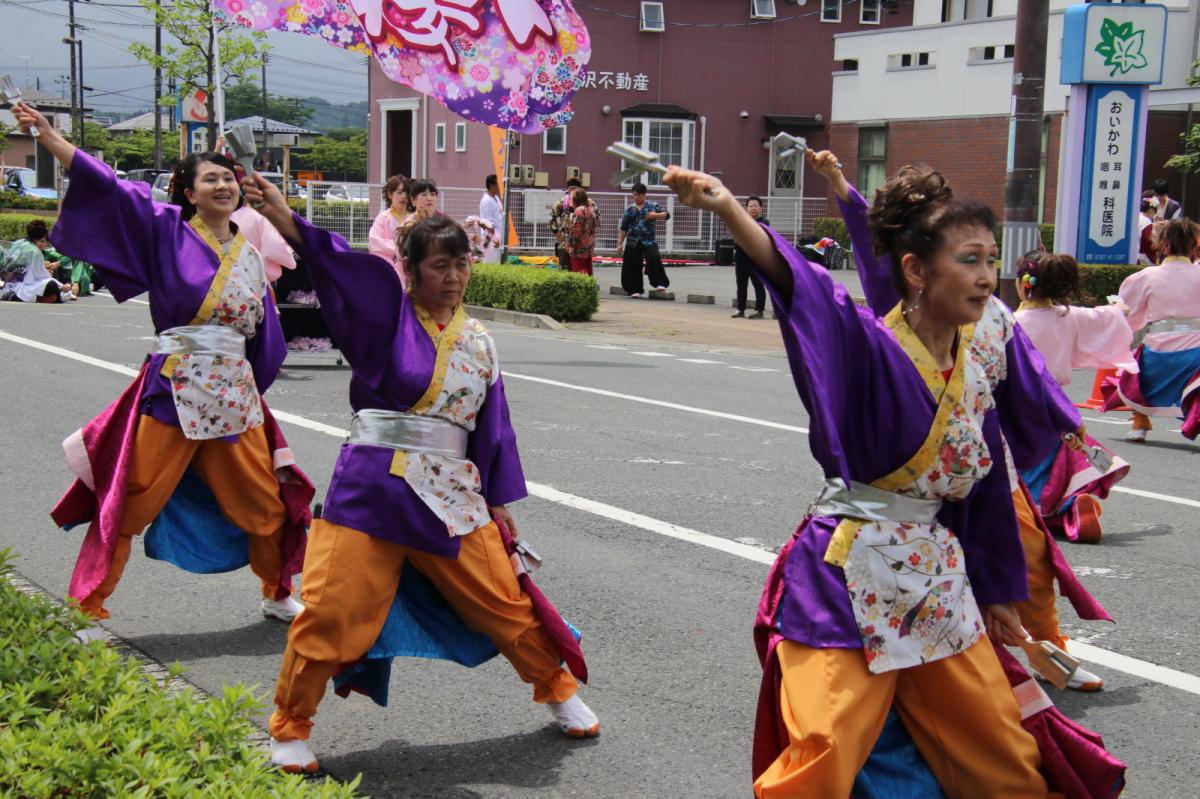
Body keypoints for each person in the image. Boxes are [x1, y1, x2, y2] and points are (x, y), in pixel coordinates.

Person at [665, 161, 1072, 797]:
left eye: (992, 259)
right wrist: (730, 211)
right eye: (969, 259)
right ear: (915, 270)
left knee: (1006, 755)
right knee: (823, 749)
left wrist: (996, 592)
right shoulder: (870, 343)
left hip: (936, 582)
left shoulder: (973, 373)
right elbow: (805, 286)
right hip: (849, 574)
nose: (988, 276)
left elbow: (986, 491)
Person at [240, 175, 599, 774]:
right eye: (438, 265)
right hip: (372, 486)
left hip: (452, 491)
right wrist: (285, 218)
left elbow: (494, 426)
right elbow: (337, 266)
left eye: (460, 265)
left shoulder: (480, 341)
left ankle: (558, 692)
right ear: (410, 270)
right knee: (332, 608)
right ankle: (291, 724)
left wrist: (499, 499)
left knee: (504, 602)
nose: (453, 277)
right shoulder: (383, 313)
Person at [816, 150, 1112, 694]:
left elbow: (1024, 369)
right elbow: (864, 233)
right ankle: (962, 677)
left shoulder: (987, 302)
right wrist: (838, 182)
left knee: (1030, 558)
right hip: (918, 468)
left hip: (979, 460)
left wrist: (1067, 420)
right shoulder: (906, 290)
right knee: (939, 586)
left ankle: (1046, 653)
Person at [14, 101, 313, 629]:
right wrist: (49, 137)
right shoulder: (165, 229)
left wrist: (256, 383)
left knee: (263, 501)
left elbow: (265, 331)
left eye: (228, 178)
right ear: (189, 191)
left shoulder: (247, 250)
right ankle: (87, 605)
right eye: (211, 179)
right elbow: (106, 185)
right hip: (175, 387)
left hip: (234, 394)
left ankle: (276, 591)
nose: (223, 186)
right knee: (132, 496)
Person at [1014, 251, 1135, 543]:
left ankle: (1040, 511)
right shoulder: (1071, 318)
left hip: (1017, 406)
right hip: (1059, 405)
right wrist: (1117, 307)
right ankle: (1074, 505)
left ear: (1024, 283)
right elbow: (1118, 315)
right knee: (1061, 461)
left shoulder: (1010, 321)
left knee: (1021, 467)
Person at [1104, 217, 1200, 443]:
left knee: (1135, 374)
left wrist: (1115, 307)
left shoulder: (1145, 277)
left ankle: (1140, 421)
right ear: (1193, 244)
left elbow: (1127, 312)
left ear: (1163, 244)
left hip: (1158, 350)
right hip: (1196, 350)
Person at [1, 219, 76, 302]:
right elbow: (38, 277)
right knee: (53, 285)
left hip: (7, 286)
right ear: (41, 236)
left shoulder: (17, 243)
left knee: (57, 288)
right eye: (43, 240)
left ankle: (46, 297)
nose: (45, 244)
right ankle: (42, 298)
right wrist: (61, 286)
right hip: (20, 288)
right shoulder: (34, 251)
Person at [618, 183, 671, 297]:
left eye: (637, 195)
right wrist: (620, 243)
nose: (635, 197)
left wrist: (655, 215)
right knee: (633, 264)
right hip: (633, 241)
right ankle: (634, 289)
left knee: (654, 257)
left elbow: (667, 215)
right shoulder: (630, 210)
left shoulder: (652, 206)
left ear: (643, 195)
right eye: (634, 195)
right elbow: (623, 228)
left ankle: (659, 283)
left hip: (649, 240)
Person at [368, 174, 411, 284]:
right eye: (399, 192)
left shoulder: (413, 218)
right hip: (390, 269)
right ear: (390, 194)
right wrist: (400, 248)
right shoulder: (383, 218)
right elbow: (375, 244)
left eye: (406, 192)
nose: (404, 196)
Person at [732, 196, 768, 318]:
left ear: (761, 209)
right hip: (741, 256)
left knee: (758, 284)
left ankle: (759, 310)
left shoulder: (764, 222)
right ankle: (740, 309)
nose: (753, 208)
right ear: (746, 208)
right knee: (741, 284)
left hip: (756, 258)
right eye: (750, 206)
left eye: (755, 206)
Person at [395, 177, 441, 260]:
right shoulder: (408, 224)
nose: (429, 198)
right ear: (413, 200)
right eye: (424, 194)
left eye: (432, 194)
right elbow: (402, 254)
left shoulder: (441, 221)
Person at [549, 177, 583, 269]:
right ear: (567, 189)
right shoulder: (560, 203)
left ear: (579, 190)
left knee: (581, 270)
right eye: (570, 188)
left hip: (582, 243)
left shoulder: (586, 203)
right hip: (565, 242)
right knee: (564, 268)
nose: (572, 190)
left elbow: (595, 220)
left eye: (575, 188)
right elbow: (552, 220)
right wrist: (558, 235)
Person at [565, 187, 598, 276]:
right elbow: (597, 224)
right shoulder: (591, 209)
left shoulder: (579, 210)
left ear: (576, 199)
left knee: (579, 275)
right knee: (587, 273)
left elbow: (576, 230)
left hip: (579, 248)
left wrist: (569, 245)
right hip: (589, 247)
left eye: (572, 198)